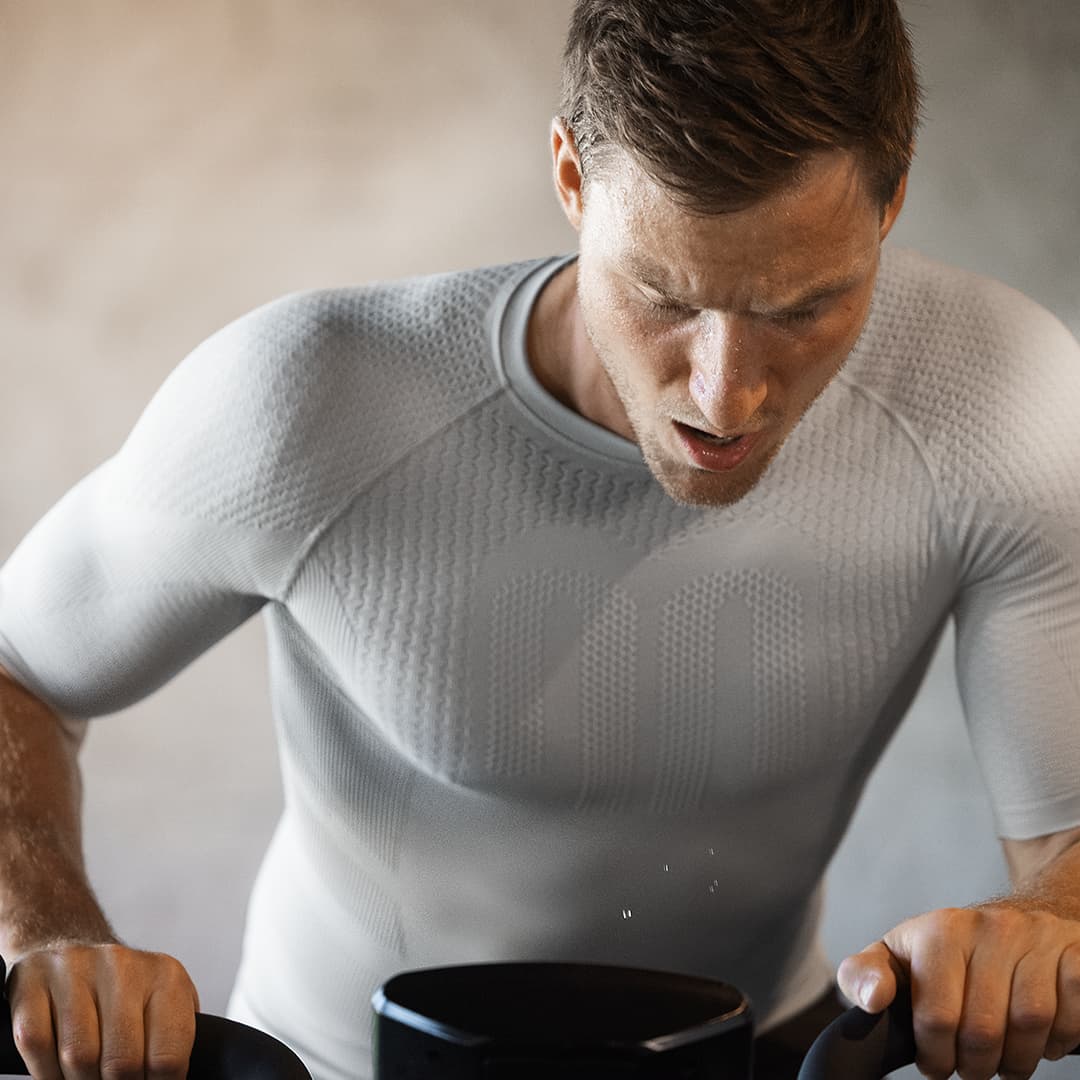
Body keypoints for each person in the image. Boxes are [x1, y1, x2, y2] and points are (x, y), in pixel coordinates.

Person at [1, 1, 1079, 1078]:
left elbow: (1066, 850)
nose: (727, 394)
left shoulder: (995, 401)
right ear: (571, 177)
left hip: (757, 1060)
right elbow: (18, 669)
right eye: (664, 296)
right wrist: (50, 935)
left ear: (891, 199)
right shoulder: (309, 400)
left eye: (804, 309)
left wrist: (1044, 927)